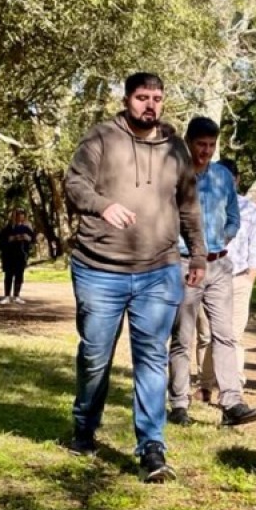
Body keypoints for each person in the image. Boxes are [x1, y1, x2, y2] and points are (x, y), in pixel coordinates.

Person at [64, 71, 206, 483]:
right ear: (127, 99)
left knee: (151, 358)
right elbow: (74, 184)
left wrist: (197, 254)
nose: (150, 104)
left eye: (157, 98)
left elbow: (189, 208)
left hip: (158, 271)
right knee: (95, 358)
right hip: (99, 269)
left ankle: (151, 448)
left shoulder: (176, 149)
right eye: (142, 97)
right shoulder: (101, 138)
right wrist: (102, 205)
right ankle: (84, 428)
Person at [167, 117, 256, 428]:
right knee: (183, 336)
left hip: (220, 265)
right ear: (188, 142)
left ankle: (232, 401)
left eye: (211, 145)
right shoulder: (175, 175)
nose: (206, 151)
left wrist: (226, 236)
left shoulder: (222, 176)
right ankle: (179, 403)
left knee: (225, 335)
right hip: (184, 265)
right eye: (200, 144)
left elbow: (234, 215)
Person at [210, 157, 256, 391]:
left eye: (229, 179)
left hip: (240, 277)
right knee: (208, 334)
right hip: (211, 274)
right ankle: (206, 381)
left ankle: (234, 380)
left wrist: (250, 276)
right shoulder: (205, 203)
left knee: (234, 333)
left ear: (237, 180)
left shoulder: (249, 208)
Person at [0, 207, 35, 304]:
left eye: (22, 215)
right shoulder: (8, 227)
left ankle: (16, 296)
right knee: (9, 275)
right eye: (18, 215)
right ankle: (7, 296)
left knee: (19, 275)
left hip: (21, 255)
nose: (20, 217)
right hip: (9, 255)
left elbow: (33, 239)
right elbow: (3, 240)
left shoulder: (27, 228)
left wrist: (27, 238)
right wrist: (14, 238)